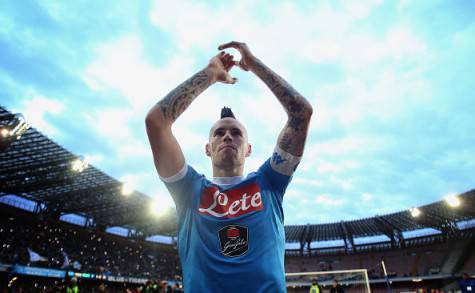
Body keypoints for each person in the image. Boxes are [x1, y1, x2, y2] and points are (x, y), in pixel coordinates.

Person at [146, 41, 313, 292]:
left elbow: (301, 112)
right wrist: (210, 74)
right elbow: (156, 122)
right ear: (207, 148)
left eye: (236, 133)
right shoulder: (188, 189)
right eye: (219, 133)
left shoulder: (270, 182)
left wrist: (254, 65)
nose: (227, 136)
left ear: (248, 149)